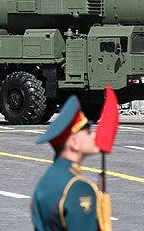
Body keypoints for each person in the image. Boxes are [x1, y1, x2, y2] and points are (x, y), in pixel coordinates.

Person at [32, 95, 102, 231]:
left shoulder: (47, 180)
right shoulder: (79, 188)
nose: (93, 135)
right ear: (74, 143)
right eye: (87, 131)